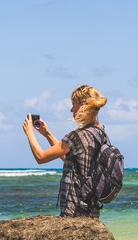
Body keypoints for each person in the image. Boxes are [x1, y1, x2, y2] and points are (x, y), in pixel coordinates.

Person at [23, 85, 107, 218]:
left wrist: (29, 133)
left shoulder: (77, 136)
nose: (71, 109)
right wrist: (47, 134)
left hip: (74, 207)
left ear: (83, 105)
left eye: (74, 104)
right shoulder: (100, 133)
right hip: (91, 206)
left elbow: (41, 157)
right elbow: (70, 159)